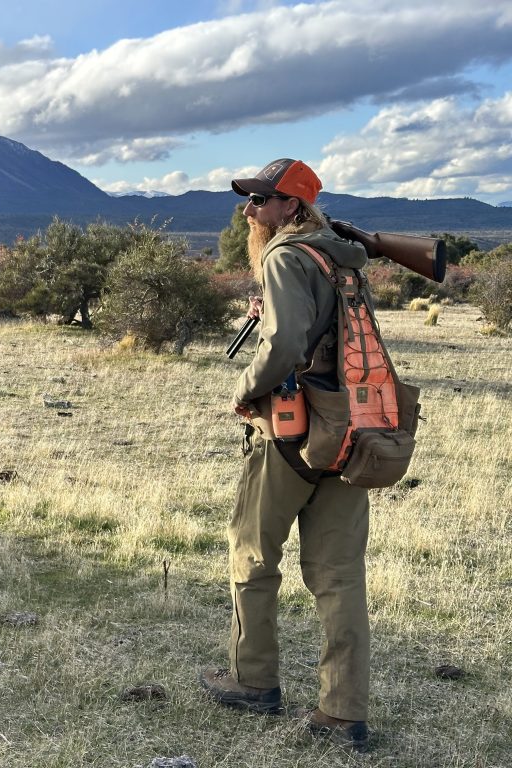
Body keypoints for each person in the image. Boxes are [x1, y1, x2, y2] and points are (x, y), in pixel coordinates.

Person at [199, 158, 372, 752]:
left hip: (292, 430)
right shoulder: (340, 255)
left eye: (261, 200)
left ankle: (252, 681)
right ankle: (343, 713)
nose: (250, 210)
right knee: (340, 575)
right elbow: (329, 332)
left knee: (252, 553)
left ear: (290, 207)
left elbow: (286, 346)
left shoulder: (283, 255)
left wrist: (245, 387)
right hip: (350, 429)